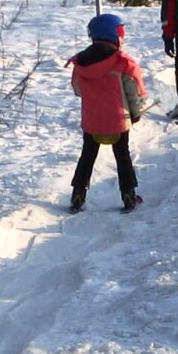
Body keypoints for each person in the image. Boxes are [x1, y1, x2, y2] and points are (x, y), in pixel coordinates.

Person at [68, 13, 147, 212]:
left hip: (92, 120)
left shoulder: (81, 62)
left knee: (88, 155)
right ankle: (128, 195)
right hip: (118, 121)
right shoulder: (124, 63)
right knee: (122, 155)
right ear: (116, 35)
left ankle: (78, 194)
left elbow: (78, 90)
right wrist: (136, 113)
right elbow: (135, 93)